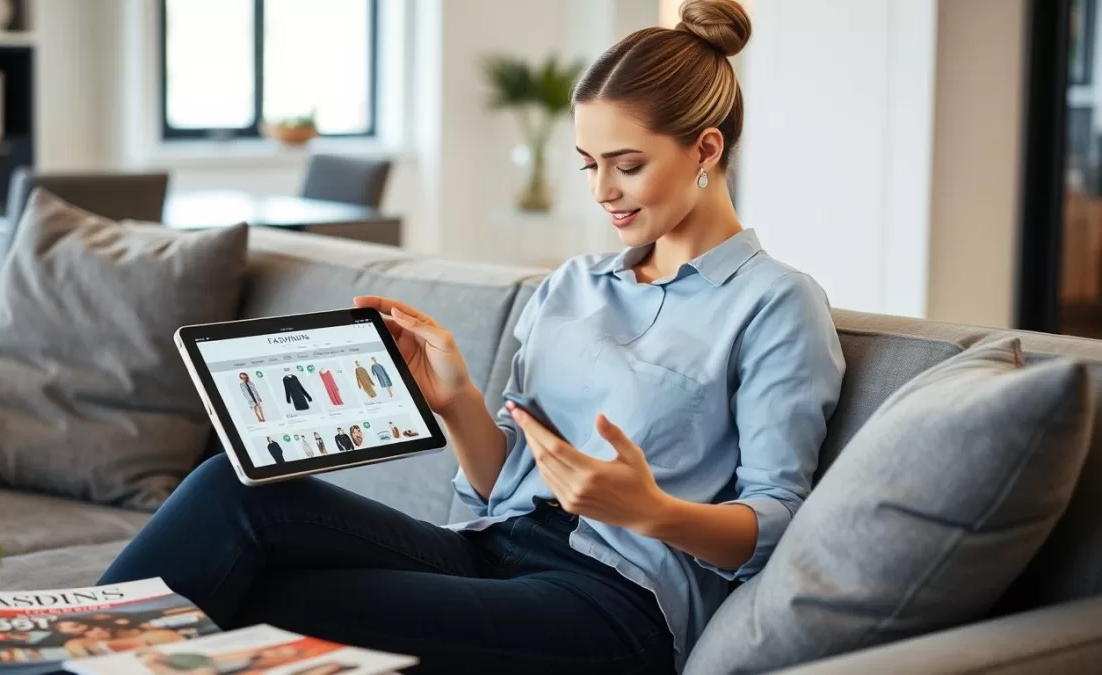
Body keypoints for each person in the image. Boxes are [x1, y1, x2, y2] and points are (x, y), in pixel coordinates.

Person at [97, 2, 844, 673]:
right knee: (231, 494)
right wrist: (453, 401)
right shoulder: (572, 284)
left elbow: (775, 523)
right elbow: (503, 483)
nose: (600, 191)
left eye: (627, 165)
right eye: (588, 164)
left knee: (272, 603)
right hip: (494, 549)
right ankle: (54, 654)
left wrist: (650, 510)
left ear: (706, 151)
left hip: (616, 603)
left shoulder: (775, 303)